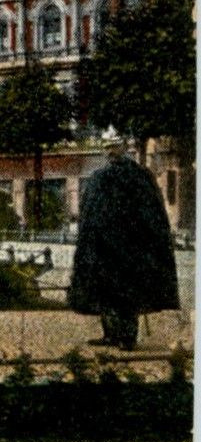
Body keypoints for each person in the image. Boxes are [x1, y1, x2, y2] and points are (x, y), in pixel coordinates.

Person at [68, 147, 180, 350]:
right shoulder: (140, 177)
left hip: (107, 247)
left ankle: (116, 336)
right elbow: (154, 215)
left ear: (111, 158)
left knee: (110, 293)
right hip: (130, 247)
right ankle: (124, 337)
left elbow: (87, 214)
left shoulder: (101, 177)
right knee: (126, 293)